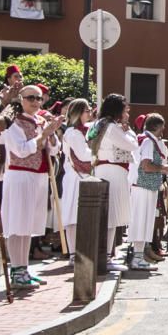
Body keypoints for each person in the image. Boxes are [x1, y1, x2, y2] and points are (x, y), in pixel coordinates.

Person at [0, 85, 64, 288]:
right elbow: (21, 150)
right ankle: (16, 270)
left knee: (27, 226)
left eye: (38, 98)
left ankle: (24, 268)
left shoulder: (41, 121)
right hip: (20, 176)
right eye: (31, 98)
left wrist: (51, 135)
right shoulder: (13, 123)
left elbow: (54, 150)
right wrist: (43, 136)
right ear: (21, 99)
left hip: (38, 177)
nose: (36, 102)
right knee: (18, 225)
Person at [87, 94, 138, 271]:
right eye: (125, 109)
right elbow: (131, 145)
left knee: (109, 216)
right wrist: (128, 132)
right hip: (113, 171)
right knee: (111, 215)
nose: (127, 112)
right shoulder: (112, 127)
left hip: (103, 168)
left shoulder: (98, 124)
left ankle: (106, 256)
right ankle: (107, 258)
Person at [128, 114, 168, 271]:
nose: (164, 129)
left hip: (146, 186)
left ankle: (139, 256)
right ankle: (137, 257)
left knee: (144, 221)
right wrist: (163, 168)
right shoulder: (147, 142)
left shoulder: (149, 140)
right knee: (141, 220)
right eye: (163, 126)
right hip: (143, 186)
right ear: (158, 127)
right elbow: (146, 166)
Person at [60, 99, 94, 264]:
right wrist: (99, 151)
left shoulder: (83, 131)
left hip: (83, 177)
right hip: (75, 178)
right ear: (78, 113)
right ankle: (73, 254)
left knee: (82, 217)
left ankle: (82, 251)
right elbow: (83, 154)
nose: (89, 113)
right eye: (87, 110)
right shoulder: (73, 133)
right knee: (73, 217)